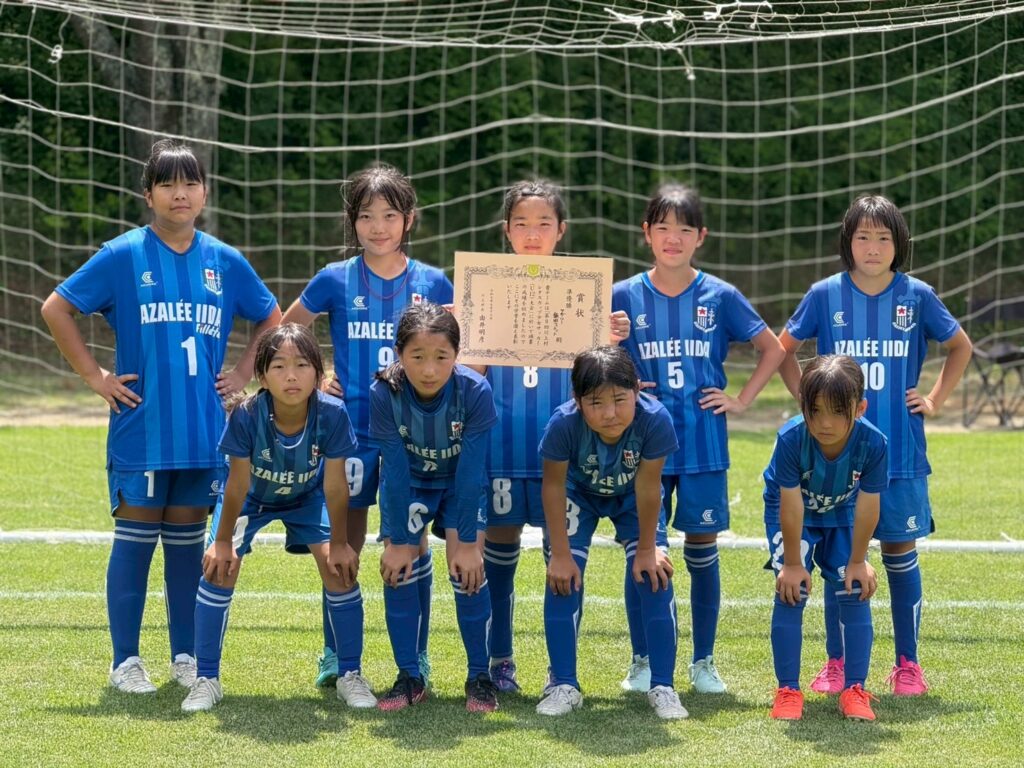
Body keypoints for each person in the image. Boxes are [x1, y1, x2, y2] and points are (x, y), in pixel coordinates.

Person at [40, 138, 280, 694]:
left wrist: (244, 372)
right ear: (148, 194)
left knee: (187, 549)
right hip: (142, 431)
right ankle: (125, 661)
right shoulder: (123, 254)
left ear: (205, 193)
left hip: (204, 433)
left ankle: (186, 657)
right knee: (134, 544)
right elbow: (56, 307)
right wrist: (95, 377)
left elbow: (271, 317)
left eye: (190, 182)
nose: (180, 193)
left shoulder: (225, 261)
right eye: (167, 183)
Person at [779, 194, 972, 696]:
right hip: (836, 460)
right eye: (863, 236)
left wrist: (933, 398)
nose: (872, 246)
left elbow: (960, 346)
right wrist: (808, 400)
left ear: (899, 244)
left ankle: (908, 664)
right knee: (839, 558)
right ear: (847, 242)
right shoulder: (824, 295)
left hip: (901, 453)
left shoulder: (917, 296)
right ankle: (837, 663)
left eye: (883, 238)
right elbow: (782, 348)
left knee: (899, 552)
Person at [281, 163, 453, 688]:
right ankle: (336, 653)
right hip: (351, 434)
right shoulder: (334, 279)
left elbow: (456, 348)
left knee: (412, 542)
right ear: (352, 221)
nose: (378, 227)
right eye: (366, 216)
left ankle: (416, 656)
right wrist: (318, 374)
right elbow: (289, 329)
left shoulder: (432, 282)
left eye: (389, 216)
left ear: (409, 220)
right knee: (344, 542)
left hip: (415, 436)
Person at [612, 183, 784, 694]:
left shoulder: (720, 295)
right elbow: (589, 356)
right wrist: (618, 364)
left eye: (684, 229)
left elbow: (773, 348)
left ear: (701, 236)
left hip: (704, 444)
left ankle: (703, 662)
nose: (673, 237)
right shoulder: (621, 296)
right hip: (640, 445)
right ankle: (643, 660)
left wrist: (741, 399)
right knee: (644, 550)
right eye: (663, 227)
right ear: (646, 233)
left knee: (702, 553)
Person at [479, 180, 631, 693]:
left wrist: (611, 338)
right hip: (502, 447)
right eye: (521, 224)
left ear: (561, 230)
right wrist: (463, 333)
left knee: (562, 558)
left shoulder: (583, 294)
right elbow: (470, 372)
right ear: (506, 231)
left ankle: (558, 671)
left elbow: (601, 378)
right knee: (498, 558)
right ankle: (500, 660)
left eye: (544, 223)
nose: (532, 233)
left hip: (564, 455)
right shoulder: (485, 290)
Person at [180, 324, 373, 711]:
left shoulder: (332, 413)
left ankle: (350, 673)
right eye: (279, 366)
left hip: (307, 497)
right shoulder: (246, 415)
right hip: (252, 500)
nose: (291, 376)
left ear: (318, 373)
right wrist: (222, 542)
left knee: (338, 568)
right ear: (262, 376)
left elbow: (336, 486)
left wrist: (339, 543)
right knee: (220, 567)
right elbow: (237, 485)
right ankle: (206, 679)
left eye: (302, 365)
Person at [537, 345, 686, 720]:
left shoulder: (655, 419)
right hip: (578, 495)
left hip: (633, 496)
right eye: (596, 403)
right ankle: (563, 684)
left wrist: (648, 549)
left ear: (637, 390)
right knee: (563, 579)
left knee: (656, 575)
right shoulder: (562, 424)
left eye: (620, 400)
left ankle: (663, 686)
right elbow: (553, 486)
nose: (609, 413)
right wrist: (560, 554)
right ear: (577, 401)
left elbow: (649, 486)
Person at [370, 302, 499, 713]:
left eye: (441, 357)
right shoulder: (384, 393)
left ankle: (479, 677)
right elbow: (393, 470)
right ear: (399, 353)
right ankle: (409, 676)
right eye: (417, 357)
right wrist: (397, 541)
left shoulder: (475, 391)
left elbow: (472, 470)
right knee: (399, 569)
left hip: (460, 484)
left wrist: (468, 543)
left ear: (457, 354)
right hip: (410, 484)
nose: (429, 370)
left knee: (468, 572)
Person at [764, 355, 887, 721]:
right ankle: (788, 690)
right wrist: (791, 564)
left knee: (854, 588)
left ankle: (855, 689)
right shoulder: (791, 439)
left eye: (837, 411)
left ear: (860, 408)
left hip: (842, 510)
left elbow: (868, 505)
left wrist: (858, 560)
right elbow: (790, 505)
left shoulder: (873, 443)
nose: (825, 423)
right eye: (815, 411)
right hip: (793, 512)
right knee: (792, 590)